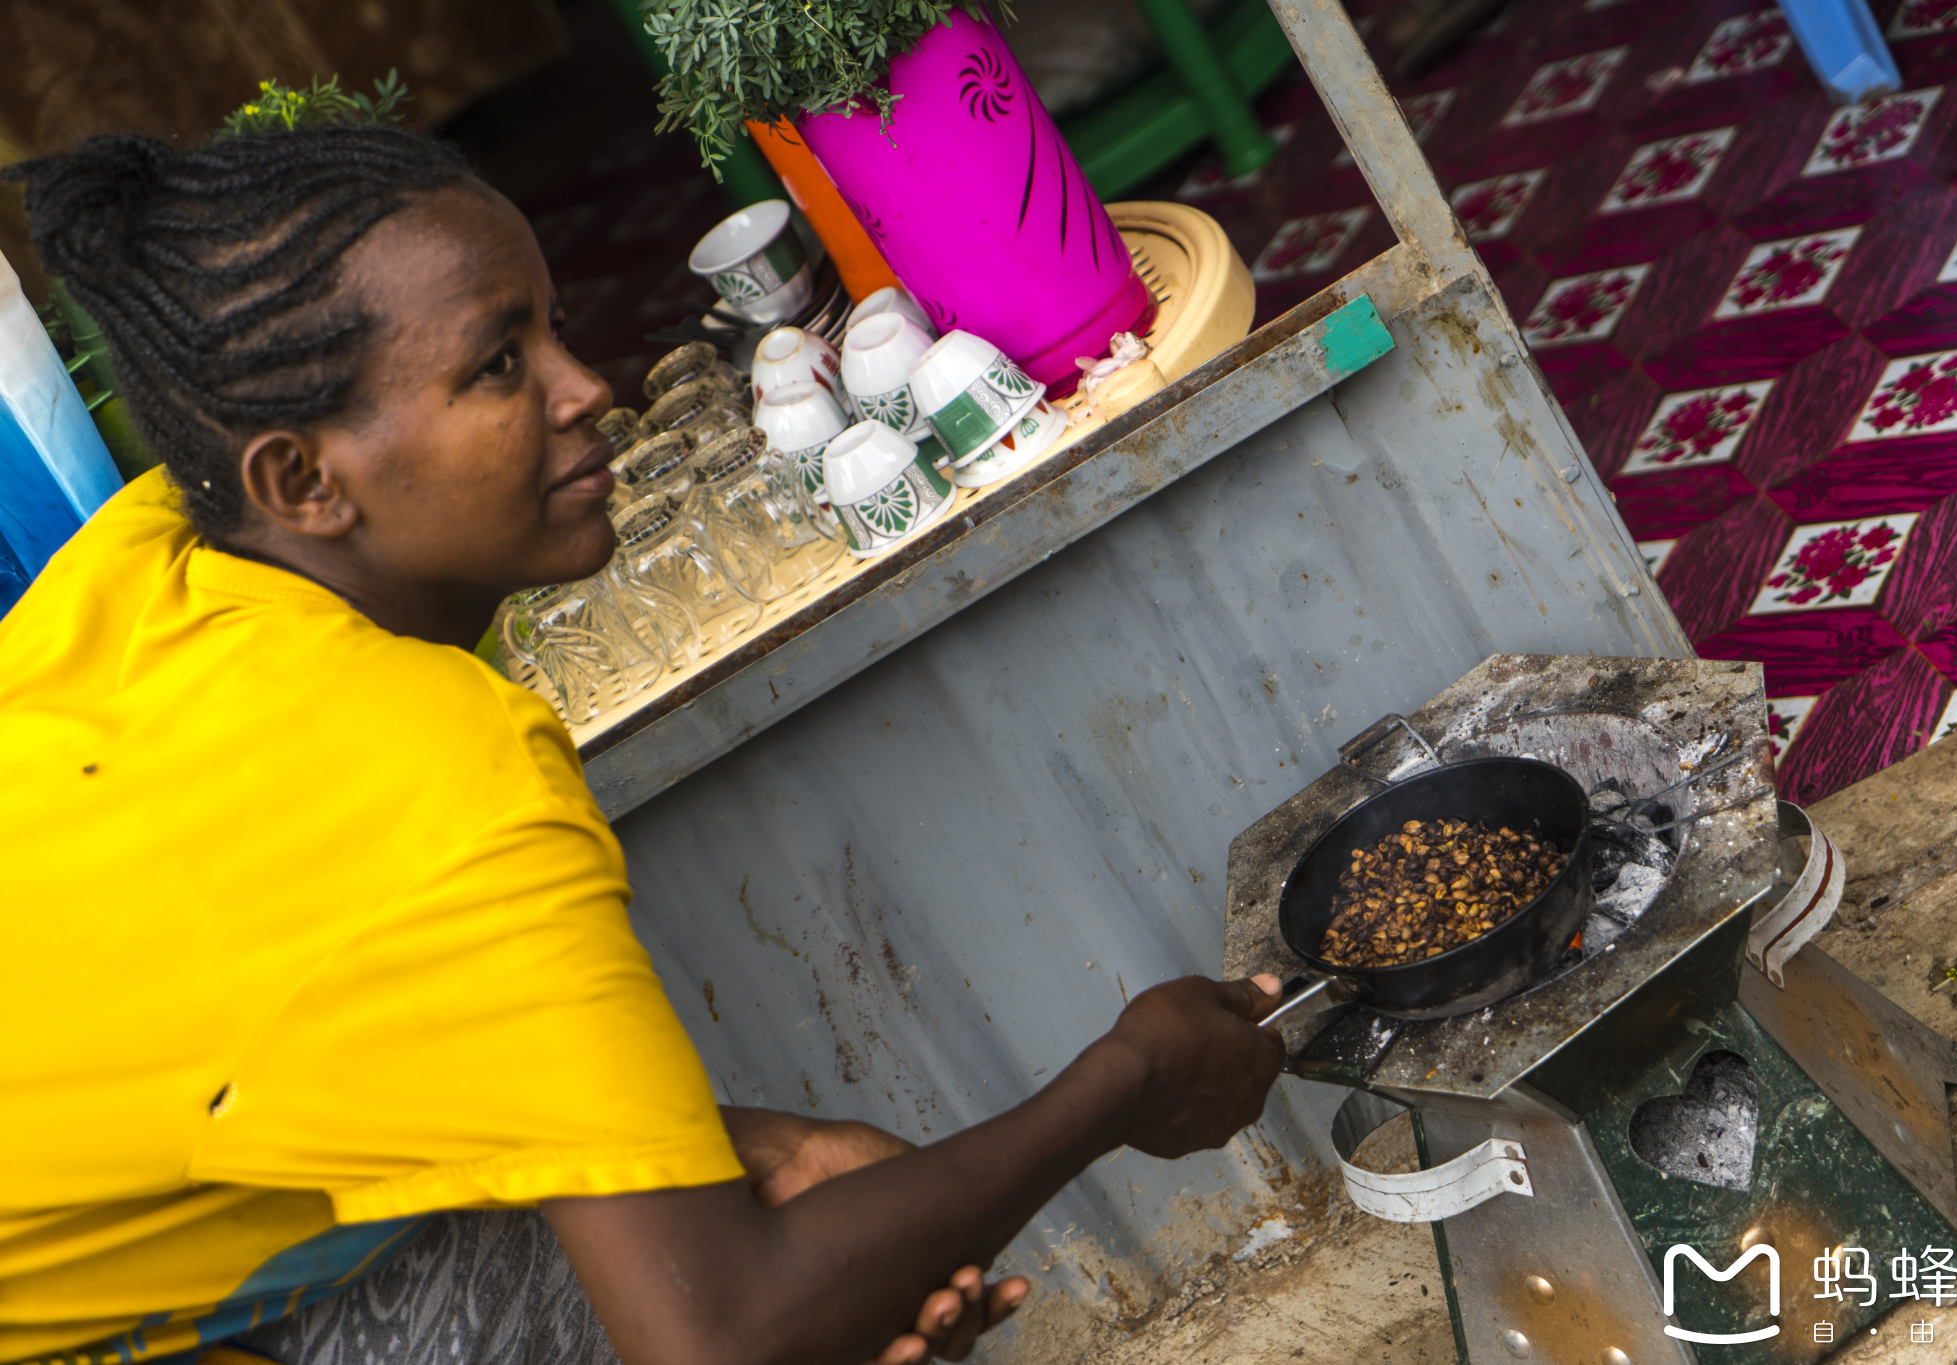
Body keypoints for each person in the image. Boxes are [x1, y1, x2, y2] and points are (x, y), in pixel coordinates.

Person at [0, 127, 1287, 1365]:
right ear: (301, 483)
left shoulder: (153, 556)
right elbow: (727, 1333)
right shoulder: (431, 770)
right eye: (497, 367)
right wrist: (1126, 1082)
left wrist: (716, 1151)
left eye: (547, 326)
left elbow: (262, 1034)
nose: (586, 387)